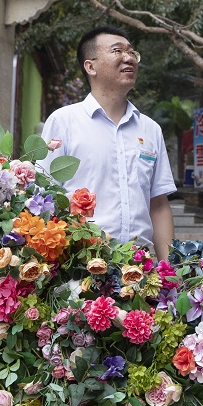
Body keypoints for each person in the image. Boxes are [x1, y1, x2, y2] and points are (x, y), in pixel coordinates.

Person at [42, 26, 175, 259]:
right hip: (80, 263)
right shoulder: (64, 122)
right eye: (117, 51)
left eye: (132, 53)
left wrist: (169, 269)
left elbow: (159, 204)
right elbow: (45, 195)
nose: (128, 58)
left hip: (138, 266)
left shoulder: (150, 129)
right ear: (90, 66)